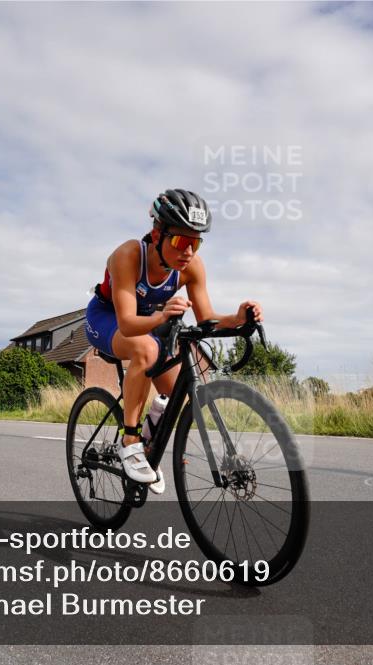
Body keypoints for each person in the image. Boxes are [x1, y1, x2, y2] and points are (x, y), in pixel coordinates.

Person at [85, 189, 263, 493]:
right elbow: (128, 324)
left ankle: (151, 446)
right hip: (108, 318)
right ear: (157, 234)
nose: (189, 252)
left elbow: (206, 318)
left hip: (152, 321)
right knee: (146, 347)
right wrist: (162, 317)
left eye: (195, 243)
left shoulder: (192, 267)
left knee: (185, 382)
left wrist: (237, 319)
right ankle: (130, 441)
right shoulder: (128, 255)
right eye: (181, 241)